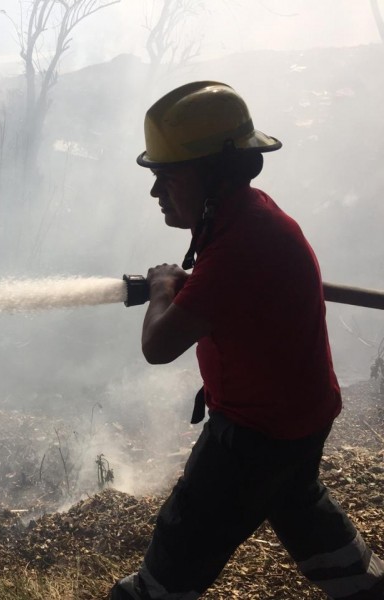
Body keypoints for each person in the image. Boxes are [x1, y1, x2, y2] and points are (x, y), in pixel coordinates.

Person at [109, 81, 384, 599]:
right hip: (299, 420)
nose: (155, 191)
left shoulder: (240, 245)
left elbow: (159, 346)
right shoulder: (251, 216)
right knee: (300, 509)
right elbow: (236, 294)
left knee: (179, 550)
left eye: (168, 175)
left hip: (255, 435)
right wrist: (193, 289)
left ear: (215, 174)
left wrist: (164, 287)